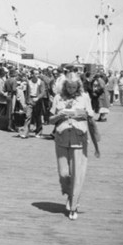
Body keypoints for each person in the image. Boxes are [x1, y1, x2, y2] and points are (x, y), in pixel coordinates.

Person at [49, 73, 100, 220]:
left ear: (78, 86)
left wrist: (97, 146)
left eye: (74, 87)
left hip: (79, 139)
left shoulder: (84, 97)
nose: (71, 89)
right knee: (64, 174)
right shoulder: (59, 97)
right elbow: (50, 120)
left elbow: (91, 118)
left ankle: (73, 205)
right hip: (62, 139)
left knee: (77, 174)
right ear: (65, 86)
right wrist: (60, 115)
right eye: (69, 86)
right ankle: (70, 194)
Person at [20, 69, 46, 138]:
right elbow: (27, 92)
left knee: (38, 117)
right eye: (35, 74)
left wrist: (38, 97)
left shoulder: (41, 82)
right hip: (30, 100)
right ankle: (25, 132)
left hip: (38, 100)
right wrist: (26, 101)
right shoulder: (29, 82)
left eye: (38, 74)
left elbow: (43, 92)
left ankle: (38, 132)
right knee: (28, 116)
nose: (37, 75)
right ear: (32, 74)